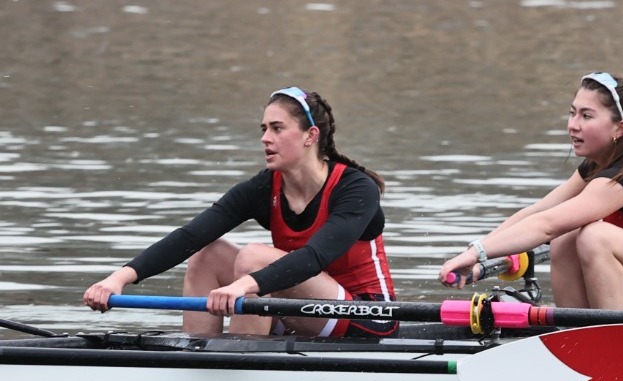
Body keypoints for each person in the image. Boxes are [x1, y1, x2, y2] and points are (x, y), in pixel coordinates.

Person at [84, 86, 397, 337]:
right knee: (207, 252)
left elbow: (315, 257)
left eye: (277, 128)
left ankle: (241, 359)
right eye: (263, 129)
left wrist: (242, 286)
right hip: (299, 308)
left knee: (252, 258)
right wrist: (118, 279)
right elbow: (191, 235)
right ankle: (198, 350)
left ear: (310, 136)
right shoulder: (264, 187)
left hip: (366, 318)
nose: (265, 138)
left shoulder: (356, 189)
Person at [439, 72, 623, 314]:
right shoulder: (598, 167)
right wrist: (477, 257)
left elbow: (545, 225)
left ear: (620, 128)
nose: (573, 125)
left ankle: (609, 343)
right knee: (567, 236)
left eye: (587, 116)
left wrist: (479, 250)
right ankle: (575, 333)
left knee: (593, 236)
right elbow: (538, 212)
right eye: (572, 112)